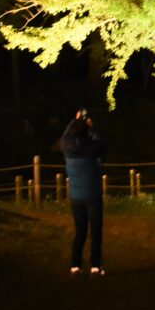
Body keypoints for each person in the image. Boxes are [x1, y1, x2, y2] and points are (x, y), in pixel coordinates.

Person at [60, 108, 105, 276]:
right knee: (95, 231)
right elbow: (101, 141)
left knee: (80, 231)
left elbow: (65, 136)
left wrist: (75, 121)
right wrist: (90, 127)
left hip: (76, 196)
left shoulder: (66, 146)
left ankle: (75, 265)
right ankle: (95, 266)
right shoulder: (92, 147)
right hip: (93, 194)